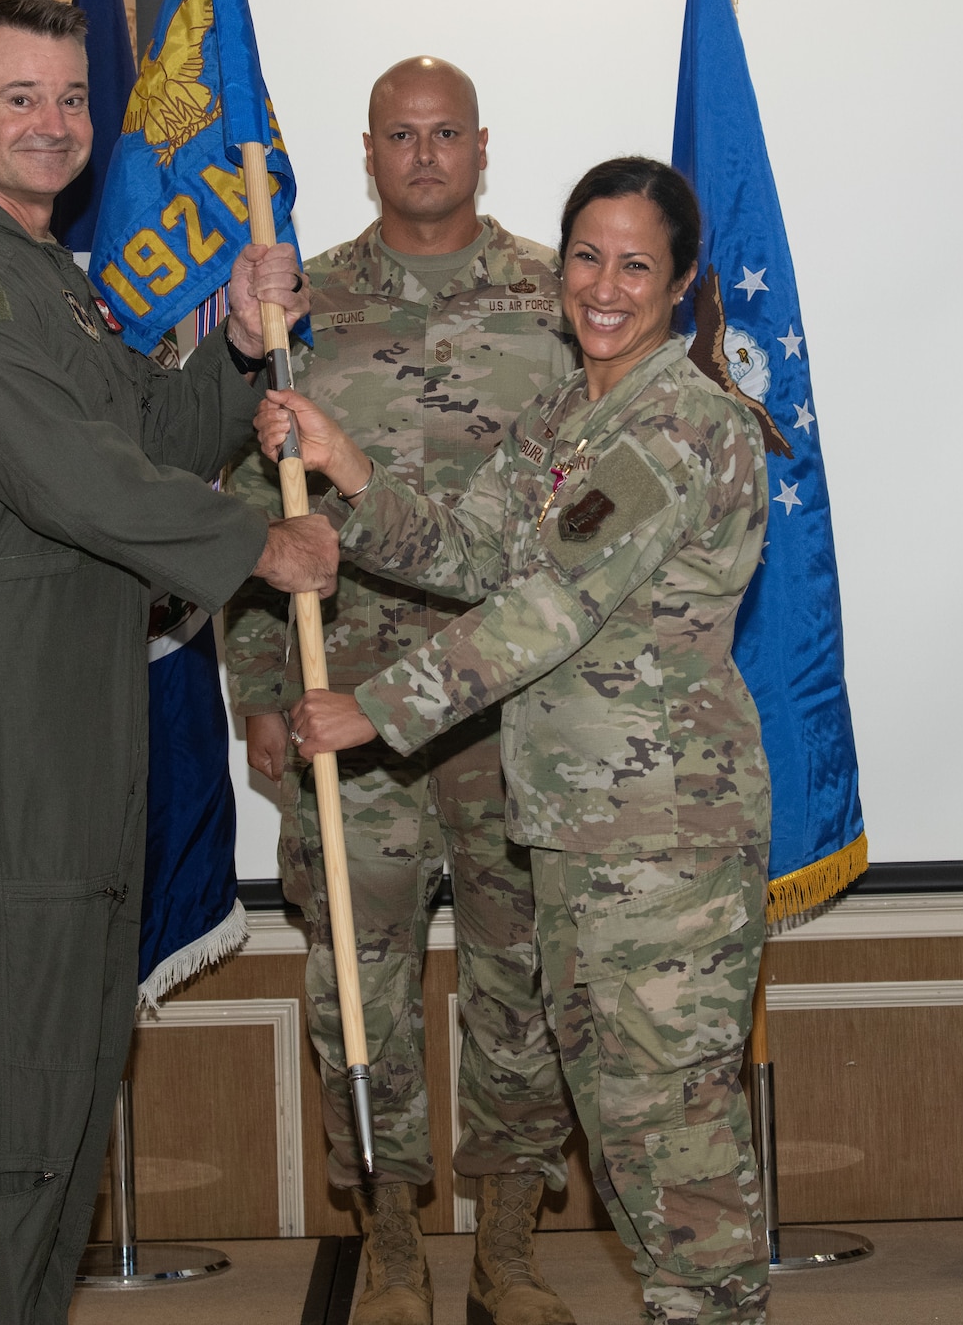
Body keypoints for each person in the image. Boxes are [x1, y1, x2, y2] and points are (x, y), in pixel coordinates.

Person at [0, 0, 336, 1325]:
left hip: (72, 730)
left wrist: (234, 347)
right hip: (5, 740)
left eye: (70, 99)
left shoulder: (44, 281)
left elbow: (141, 446)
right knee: (8, 1130)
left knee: (60, 1112)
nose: (54, 125)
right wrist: (253, 549)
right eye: (19, 97)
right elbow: (68, 476)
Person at [264, 157, 774, 1325]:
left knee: (673, 1139)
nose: (603, 285)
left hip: (664, 845)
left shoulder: (684, 425)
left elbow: (547, 610)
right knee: (619, 1128)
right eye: (585, 256)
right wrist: (343, 460)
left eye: (635, 263)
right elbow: (464, 549)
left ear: (682, 280)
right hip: (573, 831)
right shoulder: (563, 413)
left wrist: (375, 709)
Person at [223, 56, 579, 1325]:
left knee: (520, 980)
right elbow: (249, 508)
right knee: (353, 986)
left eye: (445, 134)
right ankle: (385, 1236)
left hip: (515, 710)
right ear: (366, 151)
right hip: (347, 709)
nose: (423, 155)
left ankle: (512, 1243)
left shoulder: (558, 296)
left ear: (483, 147)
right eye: (398, 136)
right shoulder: (298, 307)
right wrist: (259, 683)